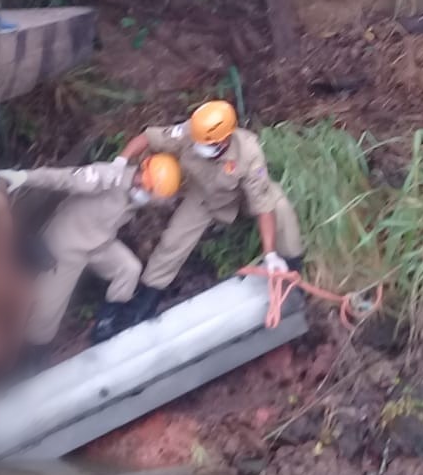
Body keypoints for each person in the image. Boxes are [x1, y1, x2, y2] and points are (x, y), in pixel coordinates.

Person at [116, 101, 304, 319]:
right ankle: (146, 297)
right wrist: (120, 161)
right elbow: (148, 137)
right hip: (204, 197)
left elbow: (262, 205)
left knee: (279, 207)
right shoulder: (190, 132)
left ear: (224, 140)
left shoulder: (248, 153)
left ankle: (291, 269)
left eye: (204, 143)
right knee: (172, 242)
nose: (197, 145)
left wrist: (269, 253)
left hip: (242, 198)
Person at [0, 154, 182, 362]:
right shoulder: (107, 177)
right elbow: (64, 178)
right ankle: (27, 358)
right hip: (67, 247)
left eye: (152, 193)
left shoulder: (142, 193)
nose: (148, 195)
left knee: (129, 269)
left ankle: (106, 323)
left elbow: (166, 198)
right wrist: (24, 177)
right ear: (141, 174)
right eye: (148, 189)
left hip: (100, 245)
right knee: (43, 322)